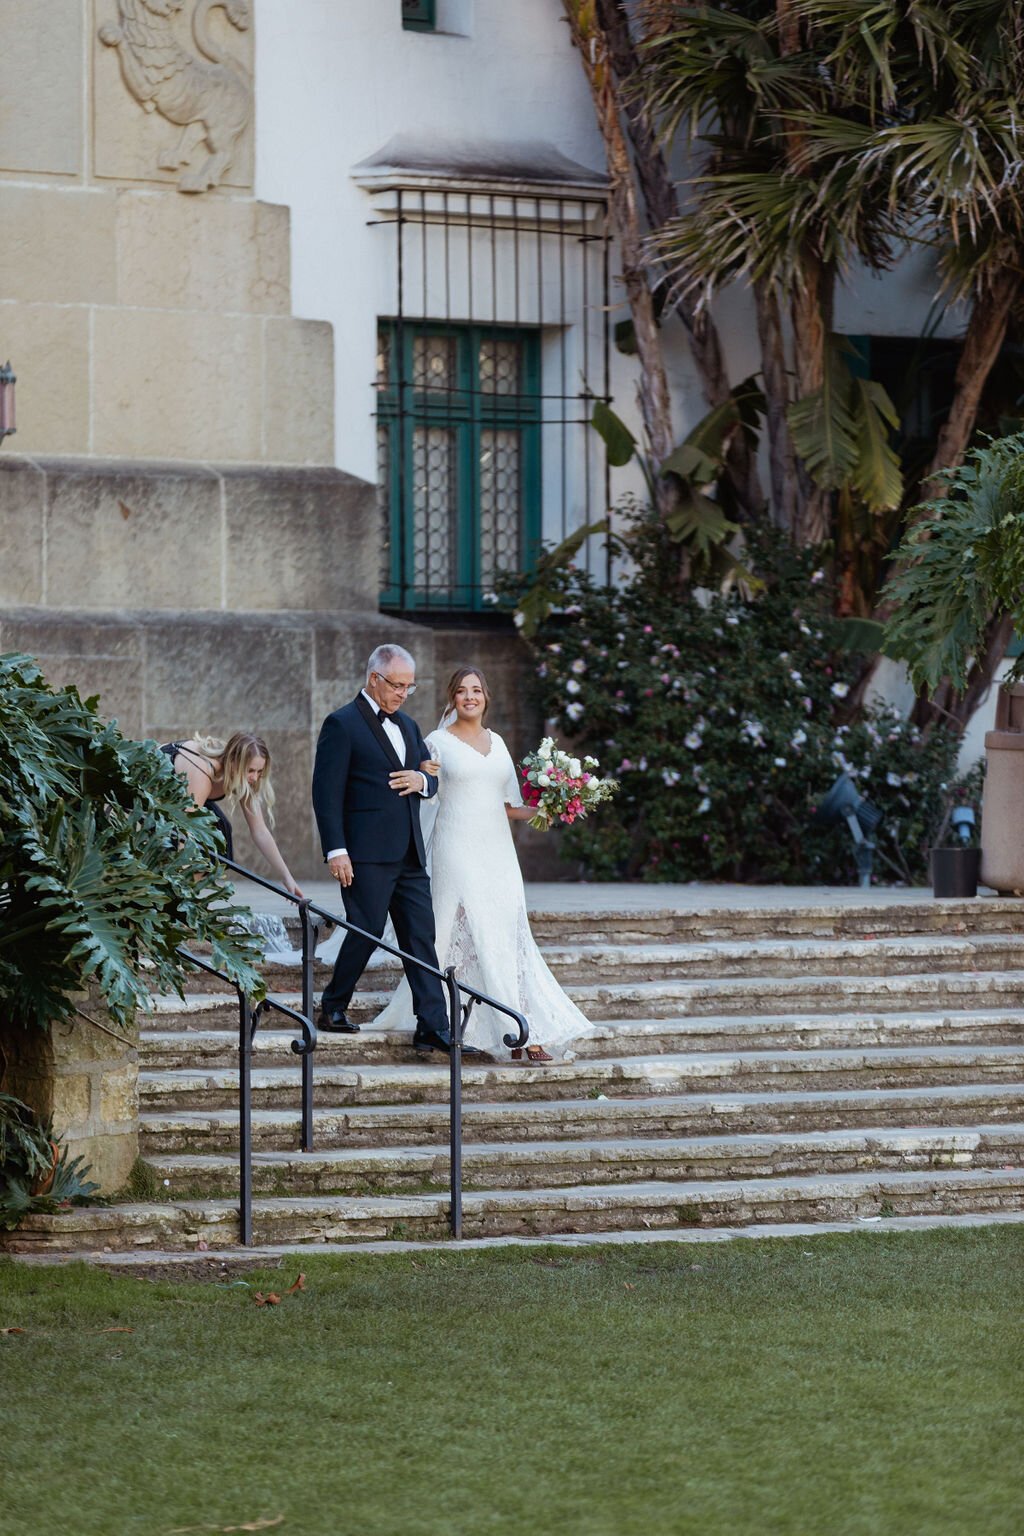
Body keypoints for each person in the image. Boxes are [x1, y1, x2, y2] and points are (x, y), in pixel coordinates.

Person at [373, 666, 593, 1063]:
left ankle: (519, 1023)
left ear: (486, 696)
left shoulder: (498, 742)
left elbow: (508, 806)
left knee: (507, 932)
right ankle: (501, 1029)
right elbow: (426, 791)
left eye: (476, 690)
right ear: (452, 698)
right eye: (461, 691)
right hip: (455, 848)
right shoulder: (436, 742)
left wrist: (551, 807)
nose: (469, 697)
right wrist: (422, 776)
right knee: (455, 931)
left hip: (498, 852)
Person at [311, 643, 463, 1056]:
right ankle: (333, 1006)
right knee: (367, 929)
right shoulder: (341, 724)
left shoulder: (410, 727)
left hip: (410, 852)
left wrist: (422, 781)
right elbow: (325, 795)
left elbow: (429, 779)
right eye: (396, 685)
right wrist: (335, 850)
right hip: (364, 852)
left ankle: (433, 1025)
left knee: (421, 937)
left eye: (409, 688)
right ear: (373, 679)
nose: (401, 694)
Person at [160, 732, 304, 898]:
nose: (255, 777)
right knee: (203, 837)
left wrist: (287, 877)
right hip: (152, 780)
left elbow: (260, 831)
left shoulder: (246, 778)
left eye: (259, 771)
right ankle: (176, 895)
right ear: (234, 763)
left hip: (183, 796)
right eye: (250, 770)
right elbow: (185, 832)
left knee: (221, 836)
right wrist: (178, 873)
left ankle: (186, 893)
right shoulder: (204, 772)